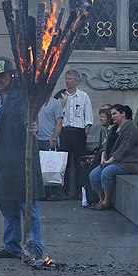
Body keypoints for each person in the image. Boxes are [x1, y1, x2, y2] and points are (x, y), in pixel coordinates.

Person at [0, 56, 45, 259]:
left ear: (11, 76)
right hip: (1, 163)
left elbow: (30, 119)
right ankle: (12, 246)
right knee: (7, 206)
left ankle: (35, 248)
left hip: (20, 163)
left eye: (3, 76)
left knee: (28, 207)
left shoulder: (22, 98)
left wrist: (32, 126)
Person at [88, 105, 138, 210]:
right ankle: (101, 199)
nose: (112, 116)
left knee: (106, 173)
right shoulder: (114, 128)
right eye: (111, 114)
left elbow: (123, 150)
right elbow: (105, 146)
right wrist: (103, 158)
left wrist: (108, 162)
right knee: (93, 175)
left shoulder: (131, 129)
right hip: (113, 161)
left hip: (129, 163)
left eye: (114, 114)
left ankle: (107, 201)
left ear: (123, 114)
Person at [59, 69, 93, 198]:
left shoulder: (83, 96)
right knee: (65, 164)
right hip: (65, 131)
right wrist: (63, 103)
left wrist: (85, 131)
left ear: (76, 81)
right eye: (66, 78)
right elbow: (58, 114)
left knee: (79, 163)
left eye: (70, 79)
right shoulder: (62, 95)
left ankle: (80, 191)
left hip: (78, 132)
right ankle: (65, 191)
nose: (67, 81)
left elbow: (88, 116)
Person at [36, 95, 64, 201]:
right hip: (38, 138)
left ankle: (57, 193)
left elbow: (59, 122)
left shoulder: (55, 103)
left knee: (53, 166)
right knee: (41, 168)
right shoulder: (36, 102)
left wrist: (54, 138)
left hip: (49, 140)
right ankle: (43, 193)